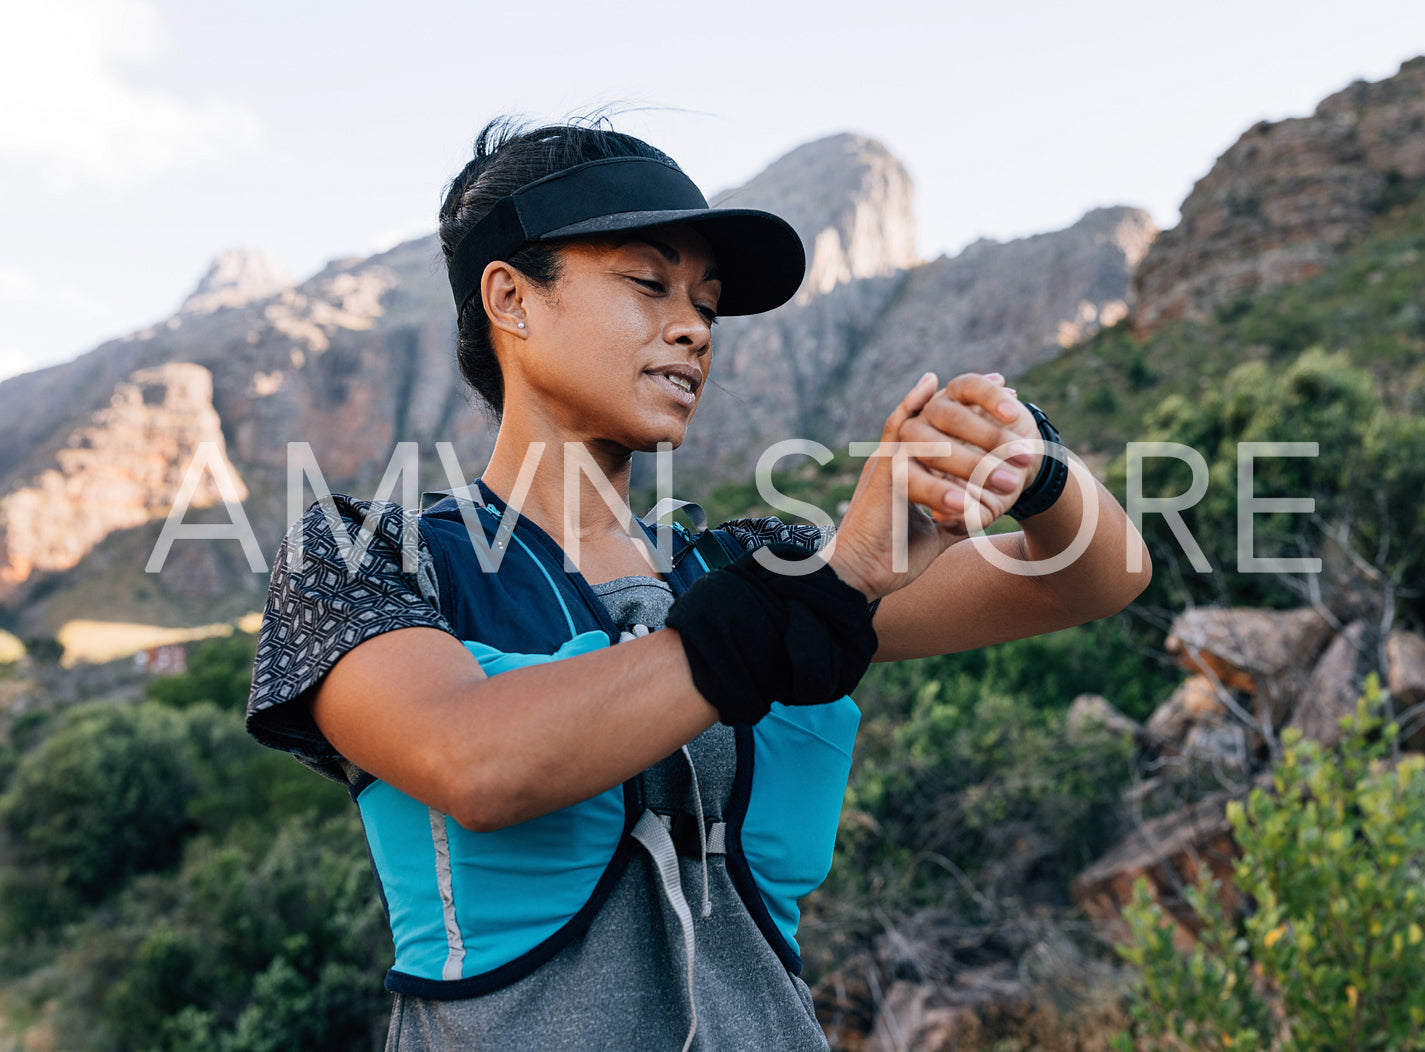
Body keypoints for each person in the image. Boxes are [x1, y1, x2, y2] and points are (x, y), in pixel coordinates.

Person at [246, 117, 1151, 1052]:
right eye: (647, 284)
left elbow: (1091, 578)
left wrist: (1026, 460)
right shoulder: (366, 555)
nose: (692, 329)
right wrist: (827, 584)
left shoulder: (743, 565)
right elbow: (476, 764)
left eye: (707, 307)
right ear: (510, 298)